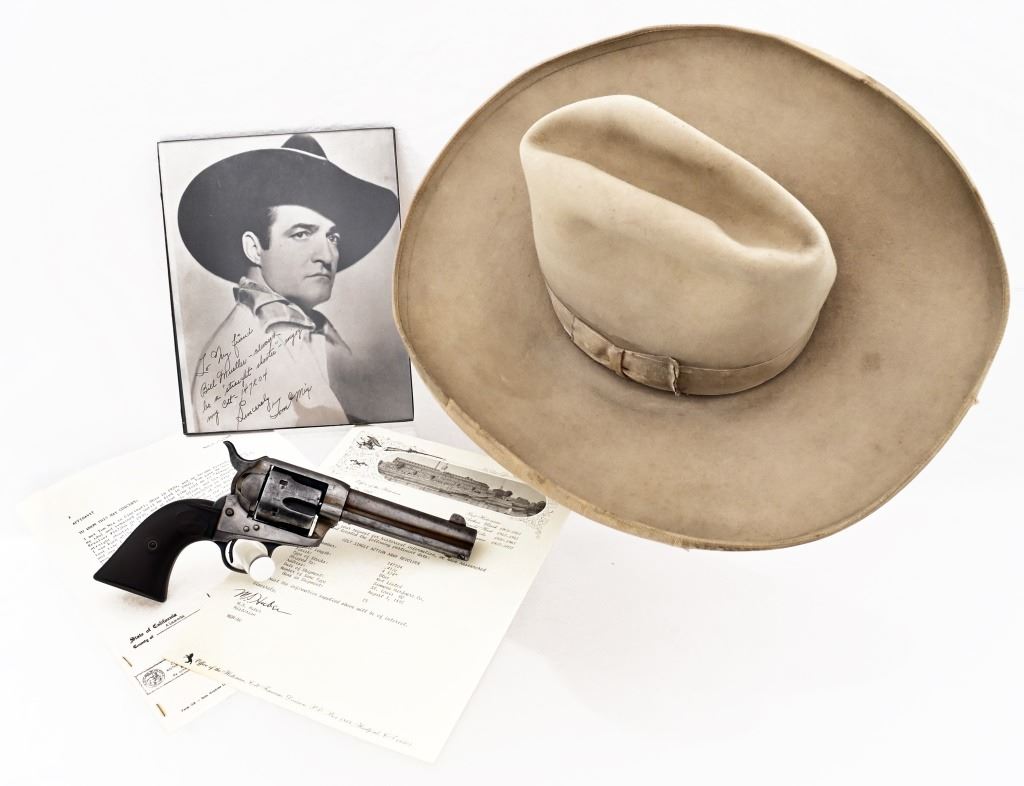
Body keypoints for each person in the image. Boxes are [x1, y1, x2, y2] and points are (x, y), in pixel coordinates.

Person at [176, 134, 400, 432]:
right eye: (301, 234)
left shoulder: (317, 333)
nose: (327, 256)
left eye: (332, 237)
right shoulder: (237, 357)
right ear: (254, 248)